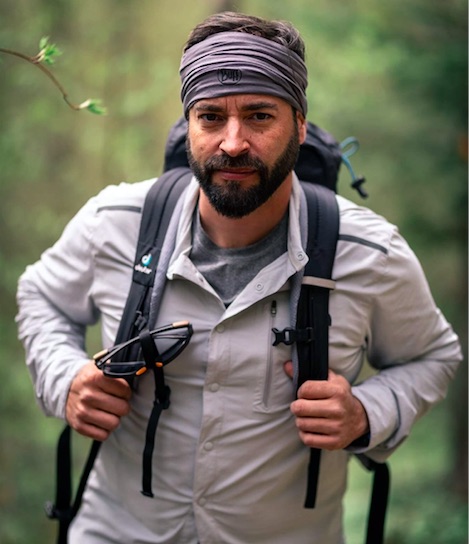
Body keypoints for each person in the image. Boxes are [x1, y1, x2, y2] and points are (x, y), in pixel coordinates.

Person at [16, 11, 461, 544]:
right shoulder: (115, 224)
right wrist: (65, 378)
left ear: (299, 123)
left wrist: (368, 412)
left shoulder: (368, 253)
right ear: (188, 126)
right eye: (210, 117)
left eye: (258, 116)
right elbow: (41, 295)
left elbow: (433, 355)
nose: (232, 142)